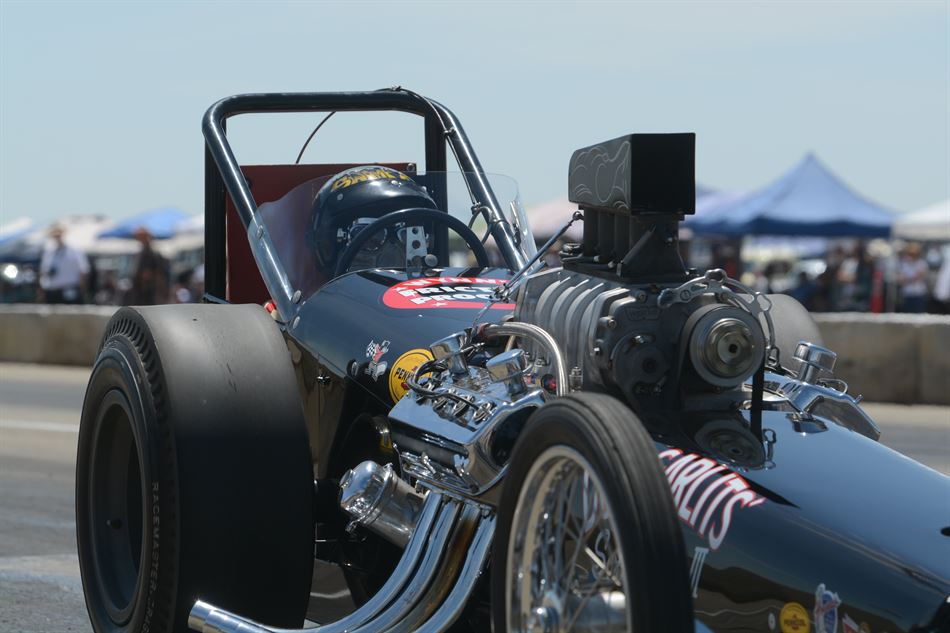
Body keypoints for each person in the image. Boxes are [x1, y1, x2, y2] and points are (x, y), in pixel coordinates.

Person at [38, 224, 89, 304]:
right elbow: (43, 272)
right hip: (52, 291)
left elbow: (83, 271)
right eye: (55, 235)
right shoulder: (49, 253)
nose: (57, 237)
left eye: (59, 234)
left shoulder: (74, 251)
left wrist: (82, 289)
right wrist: (42, 290)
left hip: (69, 289)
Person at [128, 227, 169, 305]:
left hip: (149, 288)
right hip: (142, 287)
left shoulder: (152, 252)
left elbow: (156, 270)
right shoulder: (143, 251)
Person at [898, 243, 929, 313]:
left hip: (919, 293)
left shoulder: (922, 263)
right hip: (907, 293)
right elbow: (901, 279)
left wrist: (908, 279)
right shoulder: (904, 264)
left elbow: (920, 276)